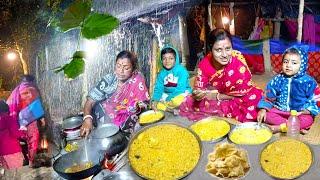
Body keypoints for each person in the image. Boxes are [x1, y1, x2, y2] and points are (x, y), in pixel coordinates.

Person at [179, 28, 263, 122]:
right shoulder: (205, 64)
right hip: (221, 94)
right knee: (190, 102)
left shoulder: (238, 62)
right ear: (210, 49)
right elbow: (199, 88)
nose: (224, 55)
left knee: (254, 107)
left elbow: (243, 93)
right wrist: (198, 94)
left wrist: (216, 96)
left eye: (228, 49)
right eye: (218, 50)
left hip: (242, 97)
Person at [80, 51, 149, 137]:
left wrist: (136, 107)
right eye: (118, 66)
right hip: (107, 117)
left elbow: (144, 103)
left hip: (128, 118)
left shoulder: (137, 80)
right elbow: (90, 101)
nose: (121, 71)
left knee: (138, 124)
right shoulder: (109, 80)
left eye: (126, 68)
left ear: (133, 69)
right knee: (98, 111)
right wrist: (87, 119)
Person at [257, 45, 320, 132]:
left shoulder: (309, 82)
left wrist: (306, 111)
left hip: (299, 113)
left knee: (308, 120)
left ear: (302, 65)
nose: (288, 65)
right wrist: (263, 109)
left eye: (294, 63)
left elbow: (316, 99)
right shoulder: (277, 79)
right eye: (286, 62)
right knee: (268, 116)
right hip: (280, 111)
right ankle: (295, 127)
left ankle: (281, 127)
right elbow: (268, 96)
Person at [6, 75, 45, 168]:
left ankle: (25, 159)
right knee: (33, 137)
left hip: (13, 121)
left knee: (22, 140)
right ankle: (32, 161)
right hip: (26, 119)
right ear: (32, 81)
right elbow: (35, 106)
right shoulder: (30, 89)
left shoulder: (15, 91)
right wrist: (42, 117)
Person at [151, 45, 192, 112]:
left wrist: (169, 99)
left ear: (176, 59)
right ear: (161, 60)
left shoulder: (181, 71)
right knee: (154, 103)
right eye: (164, 58)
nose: (167, 61)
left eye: (171, 58)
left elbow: (180, 88)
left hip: (181, 93)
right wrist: (155, 101)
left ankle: (168, 107)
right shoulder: (161, 73)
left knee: (180, 100)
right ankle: (171, 109)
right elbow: (159, 88)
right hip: (168, 95)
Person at [0, 100, 26, 170]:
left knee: (9, 174)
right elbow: (17, 134)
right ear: (7, 109)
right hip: (13, 152)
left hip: (2, 153)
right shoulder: (10, 119)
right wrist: (23, 131)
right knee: (17, 173)